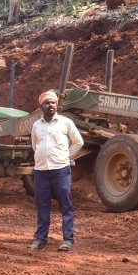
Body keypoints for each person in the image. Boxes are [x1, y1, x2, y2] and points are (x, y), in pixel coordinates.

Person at [29, 90, 83, 252]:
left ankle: (68, 240)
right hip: (41, 171)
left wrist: (65, 156)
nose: (50, 105)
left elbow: (78, 142)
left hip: (60, 170)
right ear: (41, 107)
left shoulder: (65, 123)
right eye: (47, 103)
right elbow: (35, 145)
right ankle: (40, 239)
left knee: (65, 205)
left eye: (53, 102)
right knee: (42, 205)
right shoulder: (36, 125)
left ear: (56, 105)